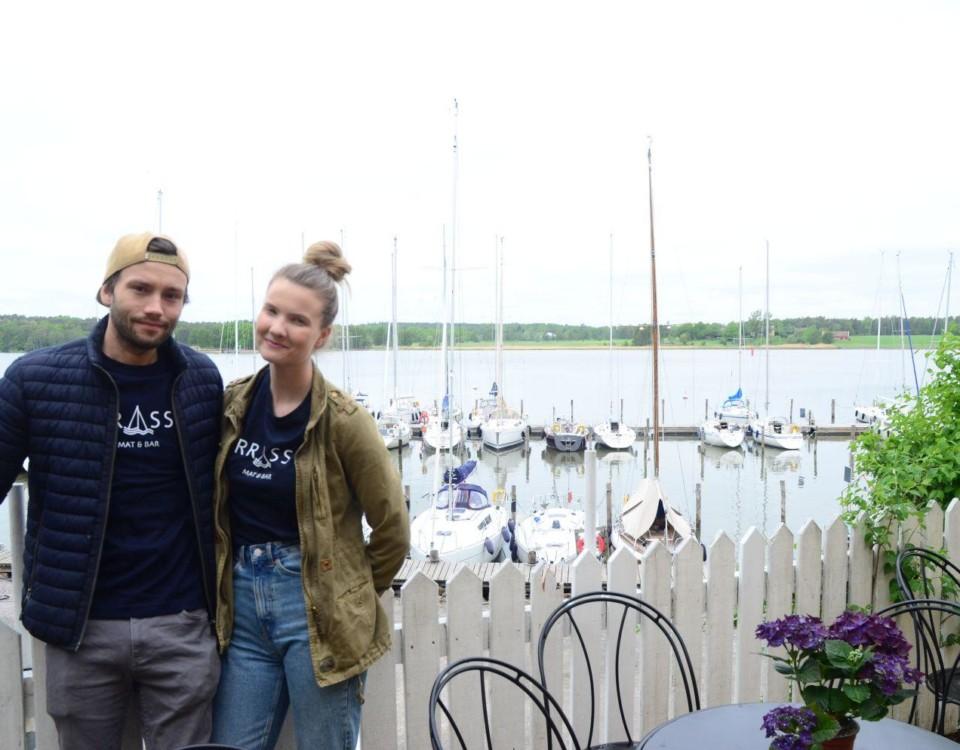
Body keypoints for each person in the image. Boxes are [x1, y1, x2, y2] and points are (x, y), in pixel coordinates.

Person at [0, 232, 223, 750]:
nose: (155, 307)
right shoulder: (34, 379)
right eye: (140, 289)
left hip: (181, 623)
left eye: (172, 296)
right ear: (106, 292)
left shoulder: (201, 379)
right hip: (82, 628)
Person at [211, 240, 409, 750]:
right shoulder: (233, 404)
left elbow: (392, 529)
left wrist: (351, 594)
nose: (278, 327)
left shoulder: (345, 422)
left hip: (316, 607)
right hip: (244, 610)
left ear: (322, 336)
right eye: (271, 310)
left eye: (297, 321)